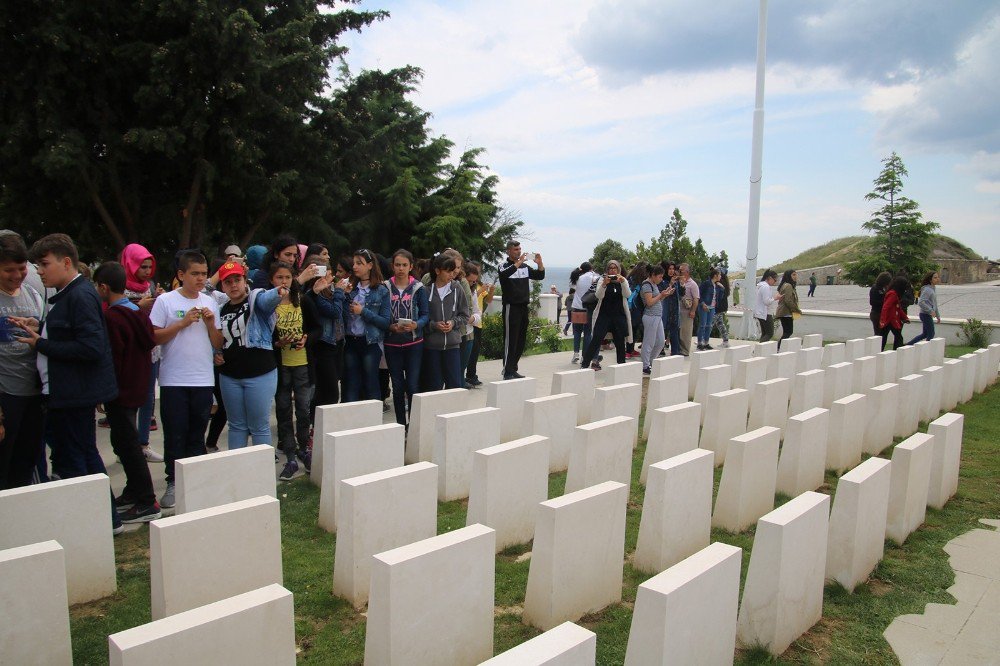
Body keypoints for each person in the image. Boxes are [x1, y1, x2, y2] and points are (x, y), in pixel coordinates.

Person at [15, 234, 121, 532]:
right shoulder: (66, 295)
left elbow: (91, 348)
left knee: (76, 460)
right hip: (68, 392)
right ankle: (103, 522)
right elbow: (71, 335)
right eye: (37, 265)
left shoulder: (79, 295)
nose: (39, 271)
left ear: (65, 262)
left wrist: (41, 344)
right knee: (81, 455)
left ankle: (92, 527)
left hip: (73, 394)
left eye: (44, 264)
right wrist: (43, 330)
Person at [149, 250, 224, 509]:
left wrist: (211, 324)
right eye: (195, 274)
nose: (201, 279)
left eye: (204, 273)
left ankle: (196, 480)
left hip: (203, 379)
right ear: (181, 275)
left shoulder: (210, 302)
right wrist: (182, 324)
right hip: (174, 379)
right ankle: (173, 481)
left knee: (197, 432)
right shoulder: (166, 302)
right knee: (174, 433)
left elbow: (218, 344)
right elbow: (155, 337)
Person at [94, 262, 160, 523]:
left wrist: (103, 390)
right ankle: (134, 491)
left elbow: (113, 359)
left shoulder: (112, 317)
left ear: (103, 287)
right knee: (124, 442)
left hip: (120, 390)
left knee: (128, 445)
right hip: (138, 386)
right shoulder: (138, 312)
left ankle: (146, 499)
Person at [0, 232, 44, 489]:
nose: (16, 275)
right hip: (6, 395)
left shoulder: (33, 295)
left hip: (33, 394)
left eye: (21, 269)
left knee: (26, 463)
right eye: (8, 270)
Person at [272, 261, 319, 480]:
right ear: (272, 280)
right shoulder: (269, 305)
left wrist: (306, 339)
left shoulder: (303, 301)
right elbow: (265, 336)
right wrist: (278, 342)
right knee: (283, 410)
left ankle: (304, 451)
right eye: (279, 278)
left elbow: (317, 328)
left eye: (287, 278)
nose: (283, 282)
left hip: (302, 364)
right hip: (281, 367)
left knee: (303, 410)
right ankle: (290, 456)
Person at [119, 242, 165, 463]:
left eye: (149, 267)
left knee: (148, 396)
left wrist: (157, 298)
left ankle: (143, 443)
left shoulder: (149, 284)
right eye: (142, 266)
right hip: (128, 350)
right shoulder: (118, 285)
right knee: (128, 399)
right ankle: (126, 446)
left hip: (150, 347)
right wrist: (139, 306)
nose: (147, 272)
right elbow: (115, 314)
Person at [383, 249, 428, 426]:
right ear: (392, 266)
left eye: (404, 265)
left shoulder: (418, 288)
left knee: (412, 386)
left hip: (414, 343)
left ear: (411, 266)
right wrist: (389, 326)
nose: (400, 268)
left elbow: (425, 315)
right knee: (397, 386)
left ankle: (414, 426)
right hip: (391, 343)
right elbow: (381, 314)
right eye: (397, 265)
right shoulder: (384, 287)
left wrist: (417, 324)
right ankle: (401, 425)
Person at [343, 249, 390, 401]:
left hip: (370, 342)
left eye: (359, 263)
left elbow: (385, 322)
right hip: (350, 341)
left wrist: (363, 311)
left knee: (371, 383)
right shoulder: (348, 287)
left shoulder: (381, 290)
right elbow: (339, 315)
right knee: (351, 384)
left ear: (370, 265)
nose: (355, 267)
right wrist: (342, 295)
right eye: (354, 263)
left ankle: (373, 421)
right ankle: (350, 422)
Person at [498, 240, 544, 380]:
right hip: (511, 306)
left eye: (520, 249)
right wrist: (518, 263)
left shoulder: (524, 267)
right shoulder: (503, 266)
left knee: (520, 340)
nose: (519, 251)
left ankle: (513, 368)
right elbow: (505, 275)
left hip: (523, 306)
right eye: (516, 249)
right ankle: (507, 371)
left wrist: (539, 263)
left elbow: (539, 276)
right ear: (509, 251)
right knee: (510, 339)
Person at [423, 254, 469, 389]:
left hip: (453, 346)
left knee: (454, 385)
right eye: (448, 271)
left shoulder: (457, 288)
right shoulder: (425, 291)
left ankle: (453, 411)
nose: (452, 275)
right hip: (431, 347)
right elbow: (421, 318)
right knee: (434, 385)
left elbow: (465, 315)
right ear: (437, 271)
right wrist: (434, 325)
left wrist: (453, 323)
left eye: (453, 271)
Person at [306, 259, 346, 412]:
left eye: (330, 275)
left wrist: (342, 292)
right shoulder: (315, 296)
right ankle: (312, 422)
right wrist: (340, 293)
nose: (328, 279)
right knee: (330, 393)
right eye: (324, 276)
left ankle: (315, 424)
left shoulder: (332, 291)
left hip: (338, 344)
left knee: (326, 391)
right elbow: (334, 312)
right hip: (323, 346)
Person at [580, 260, 631, 370]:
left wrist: (623, 282)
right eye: (610, 268)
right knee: (596, 339)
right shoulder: (602, 280)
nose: (612, 270)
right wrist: (604, 284)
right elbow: (598, 296)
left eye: (615, 268)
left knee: (620, 342)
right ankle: (584, 364)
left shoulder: (623, 280)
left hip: (618, 316)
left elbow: (627, 294)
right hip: (604, 315)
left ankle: (621, 366)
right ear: (607, 270)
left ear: (618, 269)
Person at [464, 262, 491, 387]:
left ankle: (471, 375)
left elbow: (488, 301)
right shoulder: (470, 287)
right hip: (467, 324)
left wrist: (491, 291)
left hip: (475, 321)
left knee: (474, 352)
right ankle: (467, 377)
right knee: (466, 353)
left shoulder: (476, 285)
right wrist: (480, 290)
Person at [639, 264, 668, 374]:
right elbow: (649, 302)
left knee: (661, 341)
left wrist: (664, 295)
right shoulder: (646, 285)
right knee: (649, 341)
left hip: (657, 316)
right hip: (650, 316)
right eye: (660, 277)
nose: (661, 279)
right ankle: (645, 365)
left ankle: (650, 361)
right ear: (653, 275)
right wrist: (661, 295)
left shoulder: (654, 284)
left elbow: (656, 299)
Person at [570, 262, 599, 364]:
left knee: (577, 332)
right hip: (588, 308)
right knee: (587, 333)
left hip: (577, 307)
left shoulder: (577, 277)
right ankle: (584, 356)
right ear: (591, 268)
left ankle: (576, 353)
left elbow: (572, 287)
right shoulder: (595, 277)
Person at [906, 272, 941, 345]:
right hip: (925, 315)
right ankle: (926, 349)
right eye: (935, 277)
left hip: (927, 314)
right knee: (931, 334)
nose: (937, 279)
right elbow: (921, 302)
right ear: (930, 280)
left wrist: (937, 315)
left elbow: (934, 304)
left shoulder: (932, 288)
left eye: (938, 277)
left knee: (925, 334)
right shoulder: (927, 289)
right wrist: (930, 310)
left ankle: (908, 345)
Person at [880, 276, 910, 351]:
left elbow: (898, 308)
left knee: (885, 337)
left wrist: (905, 317)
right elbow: (885, 307)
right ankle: (896, 352)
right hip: (890, 320)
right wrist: (883, 320)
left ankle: (883, 351)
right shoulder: (893, 294)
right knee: (898, 338)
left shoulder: (894, 293)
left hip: (891, 320)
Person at [775, 269, 802, 351]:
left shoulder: (786, 285)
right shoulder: (788, 286)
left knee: (787, 332)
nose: (795, 276)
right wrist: (796, 310)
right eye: (793, 274)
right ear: (788, 276)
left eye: (795, 274)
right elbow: (788, 300)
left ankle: (780, 347)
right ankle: (779, 347)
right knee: (788, 332)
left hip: (785, 312)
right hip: (786, 312)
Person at [753, 269, 782, 343]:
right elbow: (767, 302)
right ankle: (758, 349)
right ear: (769, 278)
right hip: (765, 313)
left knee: (765, 333)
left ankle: (759, 349)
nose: (775, 282)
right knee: (769, 333)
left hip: (759, 312)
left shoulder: (760, 285)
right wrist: (775, 298)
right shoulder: (766, 287)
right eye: (774, 280)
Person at [659, 262, 681, 356]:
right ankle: (660, 349)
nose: (672, 271)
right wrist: (670, 284)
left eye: (673, 269)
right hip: (665, 309)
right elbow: (662, 293)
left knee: (674, 330)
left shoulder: (675, 281)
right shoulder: (661, 281)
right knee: (662, 330)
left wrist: (681, 285)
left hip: (674, 310)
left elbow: (681, 294)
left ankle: (675, 351)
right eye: (669, 269)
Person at [677, 263, 699, 356]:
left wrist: (693, 311)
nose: (679, 271)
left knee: (686, 332)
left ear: (686, 272)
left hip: (687, 311)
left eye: (681, 270)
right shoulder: (678, 282)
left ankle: (685, 350)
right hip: (678, 310)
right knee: (679, 331)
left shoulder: (693, 284)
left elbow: (696, 298)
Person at [696, 268, 720, 351]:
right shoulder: (706, 283)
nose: (720, 276)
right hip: (704, 306)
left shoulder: (716, 285)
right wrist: (702, 303)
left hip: (712, 307)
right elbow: (699, 293)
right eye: (719, 275)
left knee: (709, 325)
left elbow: (719, 296)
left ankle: (706, 342)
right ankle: (700, 343)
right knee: (703, 324)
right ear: (715, 275)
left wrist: (722, 288)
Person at [868, 272, 892, 337]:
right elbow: (872, 302)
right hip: (877, 313)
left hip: (882, 313)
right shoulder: (875, 288)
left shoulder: (883, 289)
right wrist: (885, 302)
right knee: (879, 334)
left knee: (883, 334)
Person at [713, 272, 731, 349]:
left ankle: (703, 339)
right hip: (722, 307)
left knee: (711, 322)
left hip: (718, 307)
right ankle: (726, 340)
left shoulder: (719, 285)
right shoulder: (725, 285)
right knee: (720, 323)